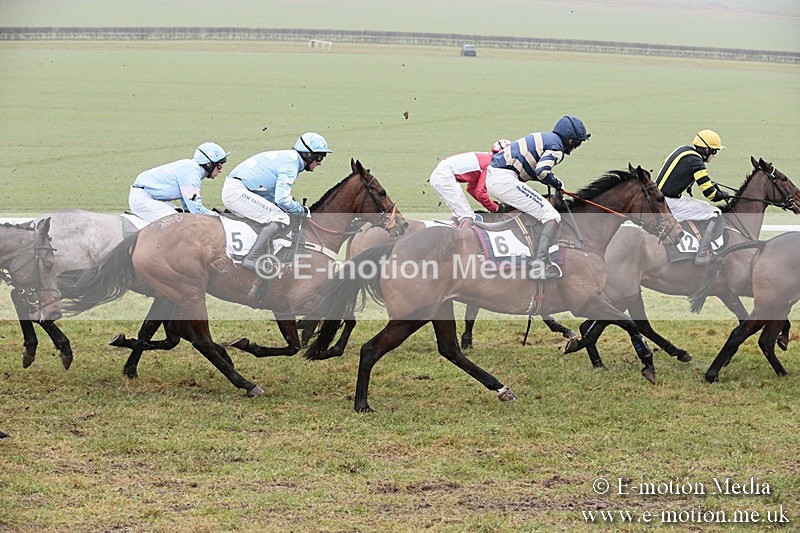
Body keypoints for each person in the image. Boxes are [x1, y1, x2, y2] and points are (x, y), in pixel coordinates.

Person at [486, 115, 590, 280]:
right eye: (577, 142)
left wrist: (556, 183)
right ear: (570, 140)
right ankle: (539, 265)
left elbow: (533, 169)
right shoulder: (556, 148)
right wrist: (555, 182)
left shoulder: (547, 138)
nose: (576, 147)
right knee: (551, 216)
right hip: (504, 179)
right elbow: (541, 171)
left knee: (540, 209)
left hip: (498, 177)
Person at [222, 132, 333, 269]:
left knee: (279, 212)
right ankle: (252, 258)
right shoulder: (290, 165)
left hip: (239, 189)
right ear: (308, 155)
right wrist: (301, 210)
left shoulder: (291, 159)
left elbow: (273, 196)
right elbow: (282, 200)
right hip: (237, 192)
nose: (320, 162)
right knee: (280, 217)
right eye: (319, 157)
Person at [655, 129, 728, 265]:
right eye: (714, 151)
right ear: (706, 150)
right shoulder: (696, 162)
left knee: (700, 205)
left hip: (660, 198)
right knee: (715, 212)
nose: (714, 155)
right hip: (669, 203)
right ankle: (701, 254)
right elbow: (710, 194)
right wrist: (724, 195)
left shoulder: (683, 150)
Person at [129, 142, 228, 222]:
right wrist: (219, 217)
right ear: (209, 164)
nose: (220, 170)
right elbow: (196, 210)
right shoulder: (191, 173)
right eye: (219, 166)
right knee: (177, 222)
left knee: (182, 217)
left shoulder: (193, 171)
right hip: (142, 199)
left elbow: (189, 208)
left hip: (148, 197)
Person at [429, 139, 512, 227]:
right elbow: (480, 193)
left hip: (441, 174)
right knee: (468, 217)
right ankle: (461, 238)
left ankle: (455, 225)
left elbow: (472, 189)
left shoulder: (486, 158)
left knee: (463, 213)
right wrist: (496, 208)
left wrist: (493, 206)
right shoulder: (491, 164)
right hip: (444, 176)